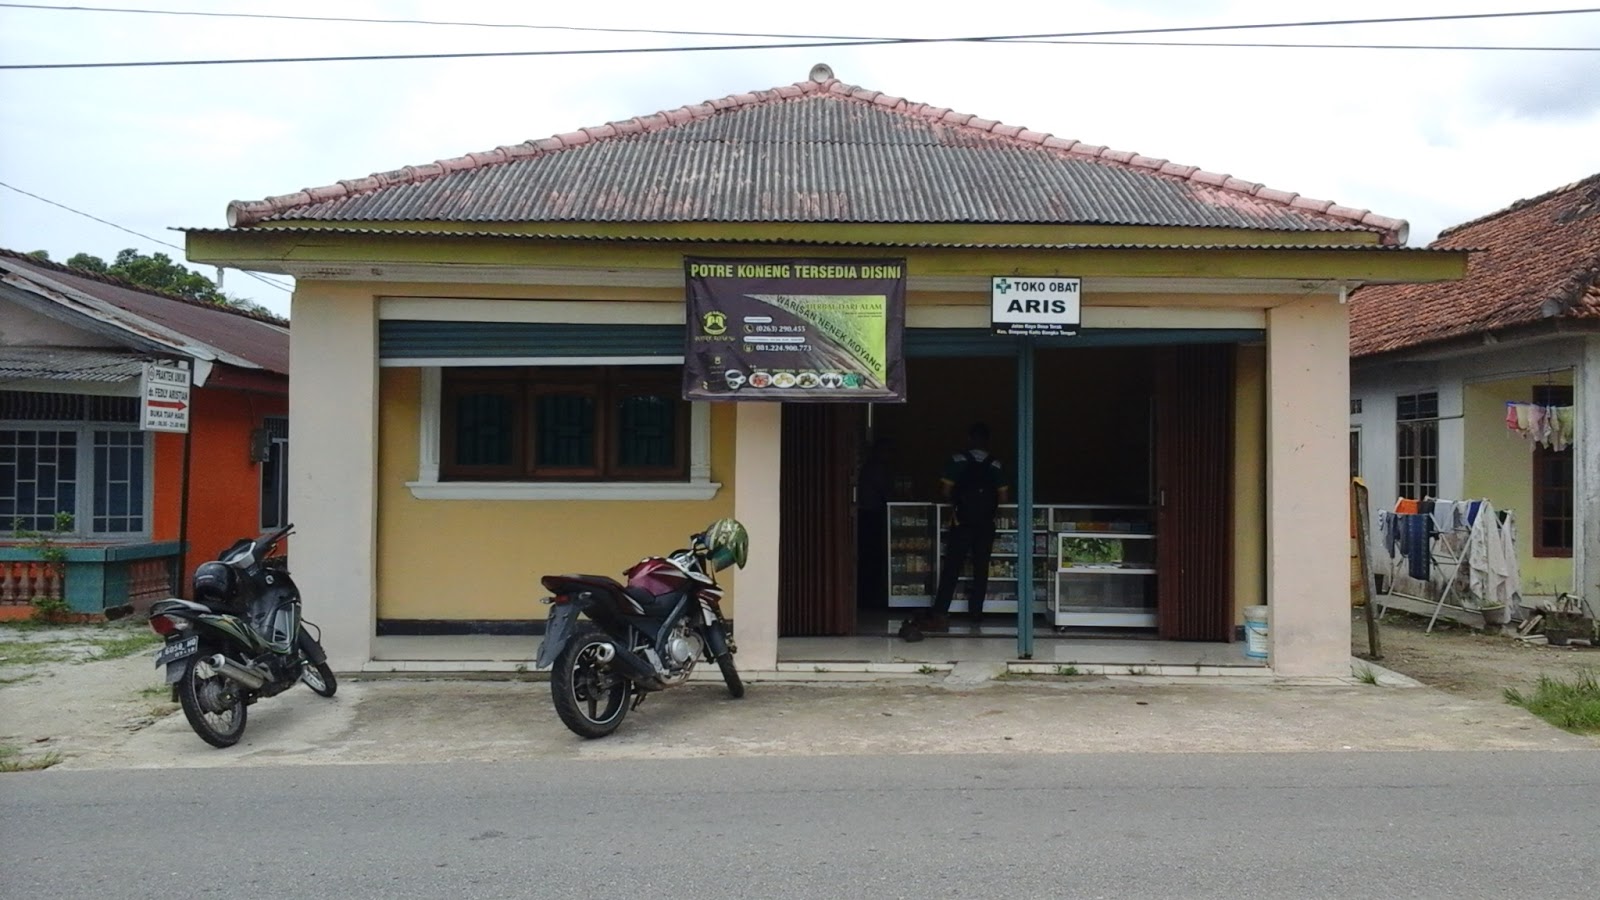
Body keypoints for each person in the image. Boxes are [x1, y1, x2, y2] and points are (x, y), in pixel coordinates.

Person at [923, 422, 1008, 632]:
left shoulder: (957, 460)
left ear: (969, 439)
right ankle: (976, 613)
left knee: (952, 567)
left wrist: (960, 503)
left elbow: (945, 490)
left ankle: (941, 611)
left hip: (961, 523)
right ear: (987, 441)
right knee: (981, 568)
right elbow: (1004, 497)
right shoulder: (995, 464)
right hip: (986, 524)